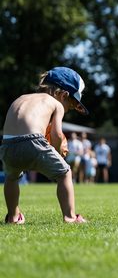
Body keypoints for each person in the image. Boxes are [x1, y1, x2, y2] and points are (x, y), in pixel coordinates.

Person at [0, 66, 88, 224]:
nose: (69, 109)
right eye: (72, 104)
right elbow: (57, 134)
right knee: (64, 173)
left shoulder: (21, 98)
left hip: (7, 145)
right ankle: (70, 217)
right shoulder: (56, 104)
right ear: (63, 95)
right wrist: (58, 149)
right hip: (33, 141)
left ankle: (13, 217)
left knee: (12, 178)